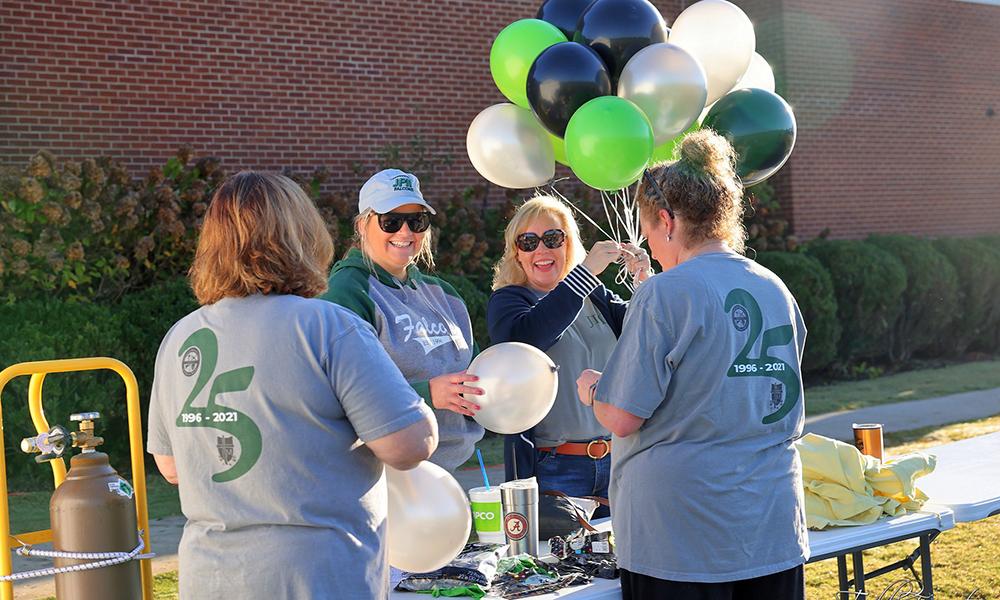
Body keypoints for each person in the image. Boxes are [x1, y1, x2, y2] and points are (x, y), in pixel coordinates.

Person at [147, 172, 438, 599]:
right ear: (302, 236)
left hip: (209, 579)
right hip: (317, 577)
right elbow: (410, 445)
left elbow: (170, 466)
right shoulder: (328, 326)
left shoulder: (180, 336)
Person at [576, 130, 809, 599]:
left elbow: (623, 415)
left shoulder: (667, 291)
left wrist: (593, 389)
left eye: (646, 229)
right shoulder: (773, 286)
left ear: (666, 220)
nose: (648, 242)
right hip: (772, 525)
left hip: (683, 541)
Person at [487, 195, 650, 513]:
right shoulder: (508, 301)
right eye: (528, 242)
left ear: (569, 244)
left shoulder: (594, 294)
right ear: (516, 254)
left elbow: (645, 330)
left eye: (552, 238)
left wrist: (644, 282)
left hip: (618, 459)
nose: (541, 251)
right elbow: (530, 337)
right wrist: (585, 273)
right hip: (556, 468)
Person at [323, 168, 484, 472]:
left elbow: (477, 375)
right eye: (391, 221)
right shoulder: (348, 291)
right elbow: (334, 392)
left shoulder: (444, 294)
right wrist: (426, 394)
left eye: (417, 221)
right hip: (390, 479)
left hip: (461, 470)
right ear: (362, 225)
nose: (405, 232)